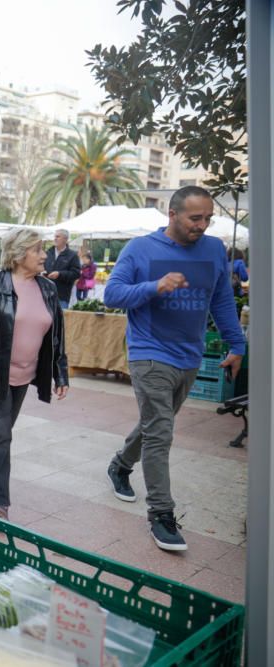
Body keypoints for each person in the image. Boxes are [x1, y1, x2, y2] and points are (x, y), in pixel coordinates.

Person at [104, 186, 245, 552]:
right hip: (149, 352)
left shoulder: (214, 249)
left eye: (207, 218)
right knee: (161, 433)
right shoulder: (140, 249)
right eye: (194, 218)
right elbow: (113, 294)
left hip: (190, 356)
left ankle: (120, 465)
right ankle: (161, 515)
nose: (202, 225)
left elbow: (222, 299)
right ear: (172, 214)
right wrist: (154, 286)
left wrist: (237, 344)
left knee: (155, 424)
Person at [0, 227, 69, 521]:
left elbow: (57, 335)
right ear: (19, 255)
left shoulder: (48, 289)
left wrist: (61, 373)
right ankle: (0, 503)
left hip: (25, 376)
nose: (44, 255)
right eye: (38, 249)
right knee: (3, 435)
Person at [43, 229, 81, 311]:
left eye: (58, 236)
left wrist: (60, 274)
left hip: (61, 296)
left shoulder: (72, 255)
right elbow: (41, 267)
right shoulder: (48, 253)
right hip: (45, 295)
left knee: (59, 321)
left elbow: (76, 273)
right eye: (55, 236)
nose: (55, 239)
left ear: (65, 239)